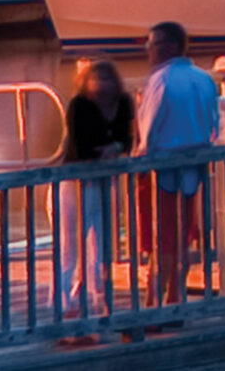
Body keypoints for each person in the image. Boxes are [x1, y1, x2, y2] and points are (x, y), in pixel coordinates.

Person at [135, 20, 220, 308]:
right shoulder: (204, 79)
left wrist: (142, 155)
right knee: (183, 235)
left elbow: (150, 124)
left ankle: (154, 298)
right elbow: (213, 123)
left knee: (161, 238)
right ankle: (177, 294)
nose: (148, 50)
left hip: (162, 167)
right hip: (194, 166)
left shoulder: (160, 80)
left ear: (168, 46)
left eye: (152, 44)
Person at [57, 60, 134, 321]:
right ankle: (63, 300)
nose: (101, 84)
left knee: (100, 243)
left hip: (103, 180)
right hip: (74, 181)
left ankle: (98, 299)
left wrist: (113, 148)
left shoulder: (123, 103)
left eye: (106, 78)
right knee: (69, 244)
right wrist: (109, 149)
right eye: (96, 78)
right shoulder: (79, 105)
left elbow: (127, 140)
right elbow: (80, 147)